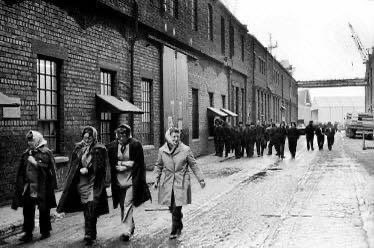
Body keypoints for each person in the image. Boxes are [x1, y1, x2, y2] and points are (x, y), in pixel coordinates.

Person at [57, 126, 111, 245]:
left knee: (92, 205)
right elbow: (73, 165)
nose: (87, 140)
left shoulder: (100, 149)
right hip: (82, 182)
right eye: (85, 137)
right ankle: (92, 232)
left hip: (94, 182)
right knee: (86, 206)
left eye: (90, 137)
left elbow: (104, 166)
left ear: (94, 137)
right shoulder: (78, 148)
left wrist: (90, 170)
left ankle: (88, 233)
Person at [154, 127, 206, 239]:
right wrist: (156, 180)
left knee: (176, 207)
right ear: (169, 137)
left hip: (181, 181)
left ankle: (174, 230)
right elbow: (158, 165)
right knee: (171, 207)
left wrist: (200, 179)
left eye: (178, 136)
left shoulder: (185, 149)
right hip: (167, 182)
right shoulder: (162, 150)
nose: (176, 139)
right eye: (174, 137)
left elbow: (194, 165)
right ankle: (179, 222)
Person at [106, 124, 151, 241]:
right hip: (119, 181)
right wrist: (125, 164)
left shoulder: (135, 145)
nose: (121, 139)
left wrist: (123, 165)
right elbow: (111, 162)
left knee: (127, 203)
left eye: (124, 136)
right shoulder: (112, 146)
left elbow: (138, 163)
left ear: (128, 135)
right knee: (122, 205)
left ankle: (126, 230)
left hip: (132, 180)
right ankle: (131, 225)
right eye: (119, 136)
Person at [12, 131, 57, 243]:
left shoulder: (46, 152)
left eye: (31, 140)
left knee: (43, 209)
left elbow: (49, 169)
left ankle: (45, 231)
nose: (29, 142)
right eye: (28, 140)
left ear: (37, 140)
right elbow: (22, 170)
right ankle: (28, 233)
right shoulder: (27, 153)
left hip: (42, 186)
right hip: (29, 186)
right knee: (27, 209)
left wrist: (35, 163)